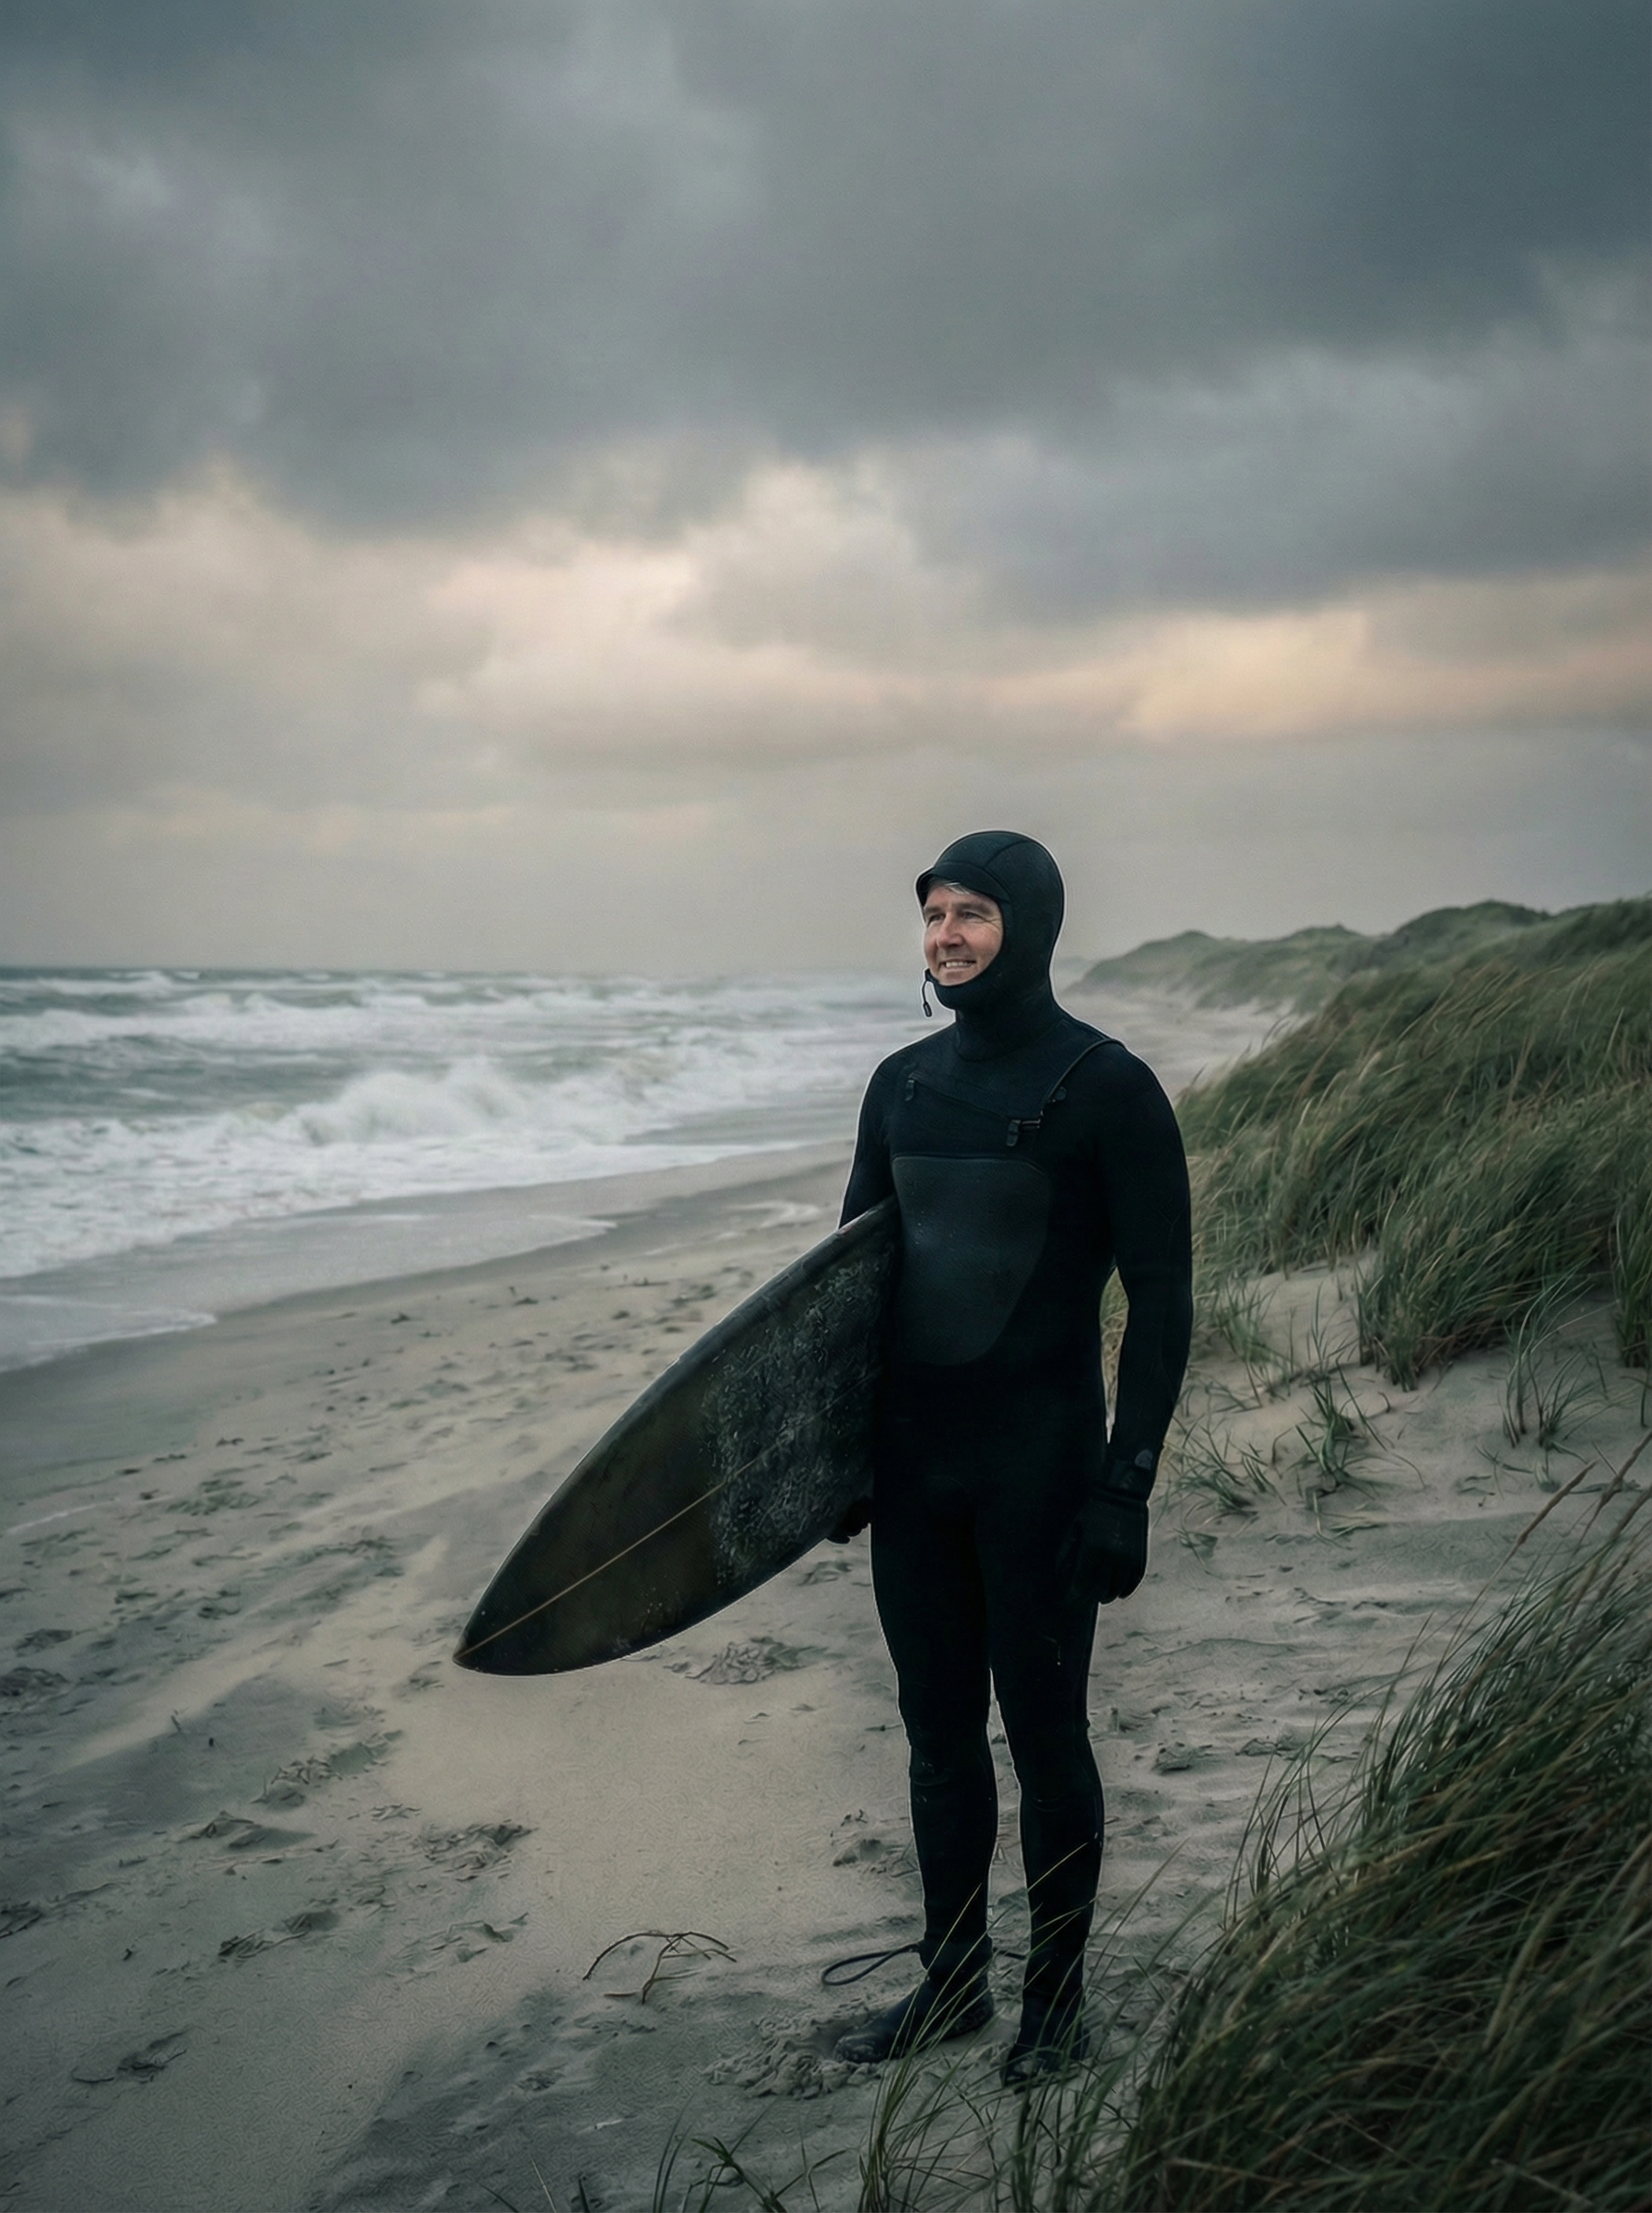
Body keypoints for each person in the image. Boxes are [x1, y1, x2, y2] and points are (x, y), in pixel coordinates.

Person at [832, 831, 1192, 2088]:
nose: (946, 936)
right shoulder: (900, 1086)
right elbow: (852, 1294)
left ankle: (1055, 2001)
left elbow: (1162, 1297)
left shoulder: (1107, 1087)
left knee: (1045, 1736)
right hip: (914, 1472)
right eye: (933, 915)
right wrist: (836, 1463)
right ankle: (949, 1987)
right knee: (936, 1738)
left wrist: (1125, 1486)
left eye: (971, 913)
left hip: (1039, 1469)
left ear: (1028, 924)